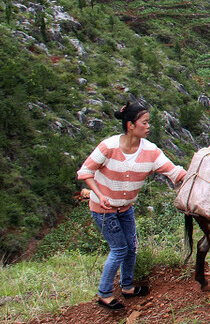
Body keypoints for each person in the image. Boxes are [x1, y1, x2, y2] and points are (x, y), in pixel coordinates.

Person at [78, 100, 186, 311]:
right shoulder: (108, 147)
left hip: (126, 209)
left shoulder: (151, 151)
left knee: (131, 248)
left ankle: (127, 287)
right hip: (103, 210)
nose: (148, 126)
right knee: (119, 249)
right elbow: (85, 172)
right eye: (144, 123)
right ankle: (104, 294)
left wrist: (197, 174)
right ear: (130, 125)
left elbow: (174, 172)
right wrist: (99, 195)